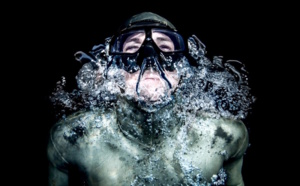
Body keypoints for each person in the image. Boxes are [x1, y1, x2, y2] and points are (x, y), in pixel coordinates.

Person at [48, 12, 254, 185]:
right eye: (131, 48)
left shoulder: (225, 137)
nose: (149, 56)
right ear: (111, 69)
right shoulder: (71, 141)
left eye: (165, 46)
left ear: (182, 69)